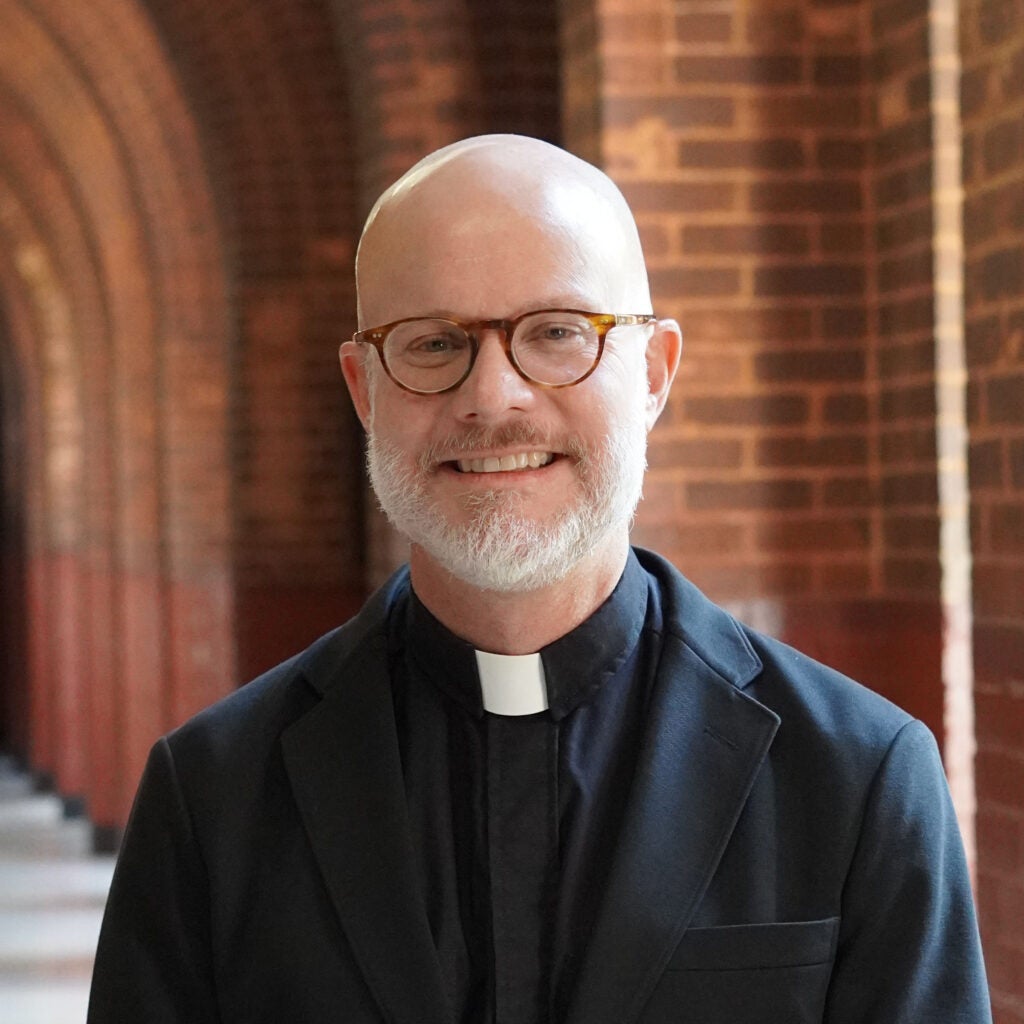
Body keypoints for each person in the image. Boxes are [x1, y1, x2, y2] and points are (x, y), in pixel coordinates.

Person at [88, 134, 991, 1024]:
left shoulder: (859, 780)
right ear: (365, 389)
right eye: (433, 344)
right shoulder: (211, 797)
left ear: (654, 372)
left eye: (558, 333)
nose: (494, 396)